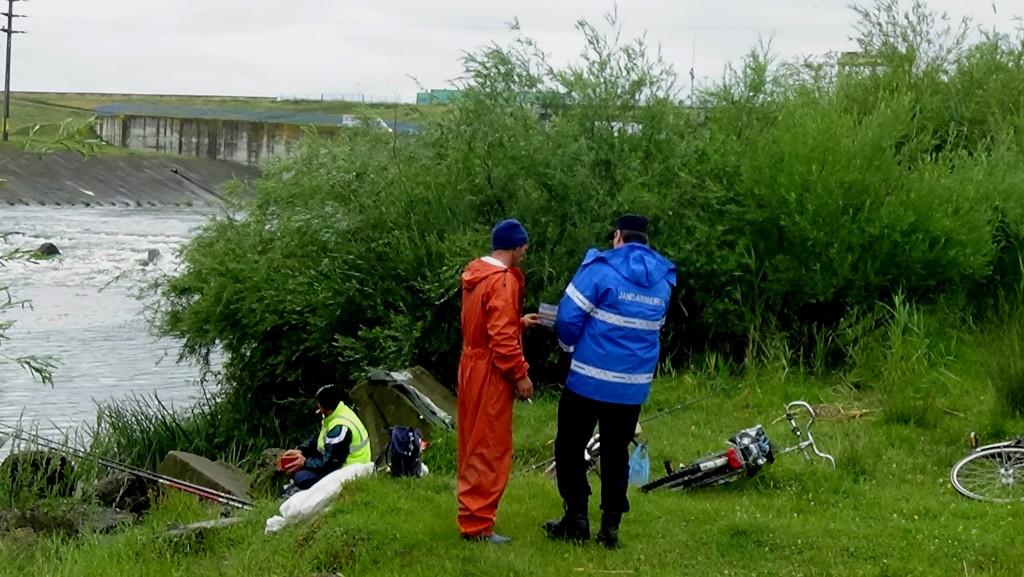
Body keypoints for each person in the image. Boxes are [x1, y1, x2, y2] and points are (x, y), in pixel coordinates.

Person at [543, 214, 677, 549]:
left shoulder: (600, 268)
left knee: (569, 447)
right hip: (631, 387)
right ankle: (610, 528)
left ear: (618, 236)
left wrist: (568, 349)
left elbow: (567, 318)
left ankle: (576, 519)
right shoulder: (663, 279)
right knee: (617, 453)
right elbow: (656, 327)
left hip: (588, 381)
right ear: (645, 240)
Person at [457, 218, 540, 545]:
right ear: (516, 246)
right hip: (490, 370)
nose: (524, 253)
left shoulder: (476, 275)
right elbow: (502, 340)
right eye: (524, 247)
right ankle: (478, 525)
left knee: (472, 442)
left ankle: (470, 516)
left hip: (470, 365)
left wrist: (520, 323)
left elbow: (485, 325)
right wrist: (521, 375)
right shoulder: (502, 280)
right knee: (489, 446)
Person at [279, 384, 372, 496]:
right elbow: (320, 436)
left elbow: (330, 464)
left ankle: (303, 492)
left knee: (301, 477)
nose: (317, 405)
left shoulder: (339, 428)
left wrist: (305, 462)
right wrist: (302, 450)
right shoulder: (338, 411)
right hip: (341, 462)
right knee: (303, 467)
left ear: (324, 407)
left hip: (350, 471)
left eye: (319, 403)